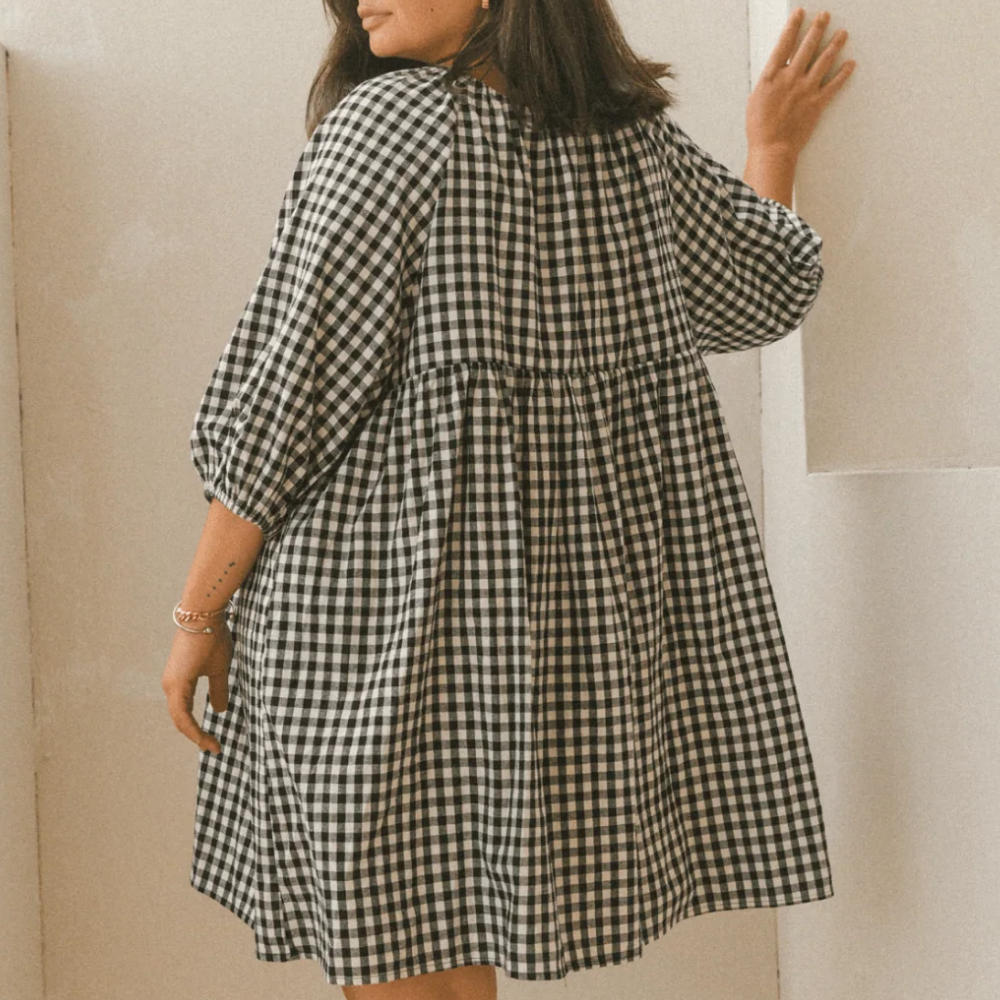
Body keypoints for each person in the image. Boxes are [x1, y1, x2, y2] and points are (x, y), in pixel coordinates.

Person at [162, 5, 855, 999]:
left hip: (375, 626)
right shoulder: (629, 141)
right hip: (541, 650)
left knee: (399, 955)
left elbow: (288, 404)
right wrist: (771, 146)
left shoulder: (388, 125)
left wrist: (198, 613)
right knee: (446, 958)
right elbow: (762, 285)